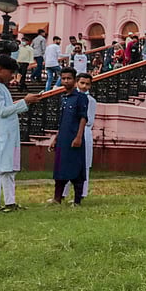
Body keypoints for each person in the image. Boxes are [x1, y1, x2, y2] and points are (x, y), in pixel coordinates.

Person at [0, 56, 39, 212]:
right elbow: (2, 111)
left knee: (9, 169)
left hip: (9, 134)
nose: (11, 76)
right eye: (10, 72)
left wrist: (24, 103)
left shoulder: (2, 87)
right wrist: (24, 102)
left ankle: (10, 202)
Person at [47, 68, 89, 206]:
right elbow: (62, 121)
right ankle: (57, 198)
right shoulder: (63, 97)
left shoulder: (81, 97)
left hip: (74, 138)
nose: (66, 81)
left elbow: (83, 118)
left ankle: (77, 200)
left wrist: (78, 137)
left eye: (69, 78)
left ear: (74, 80)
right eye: (63, 78)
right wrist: (56, 138)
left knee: (76, 168)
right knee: (60, 167)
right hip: (63, 139)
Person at [75, 73, 97, 197]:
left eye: (87, 84)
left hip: (86, 131)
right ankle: (62, 192)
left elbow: (89, 120)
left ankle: (82, 193)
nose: (84, 86)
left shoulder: (91, 101)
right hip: (72, 131)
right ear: (77, 83)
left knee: (85, 163)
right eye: (82, 83)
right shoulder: (71, 97)